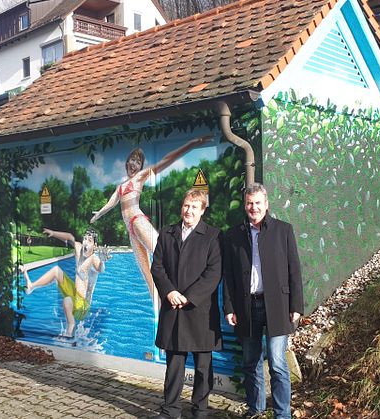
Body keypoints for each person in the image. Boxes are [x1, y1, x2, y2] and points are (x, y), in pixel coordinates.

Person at [90, 135, 211, 300]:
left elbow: (166, 160)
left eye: (138, 162)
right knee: (148, 277)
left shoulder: (140, 178)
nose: (134, 164)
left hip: (138, 221)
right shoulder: (120, 187)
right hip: (131, 231)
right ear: (127, 162)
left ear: (140, 167)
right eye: (132, 160)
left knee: (163, 255)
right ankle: (161, 312)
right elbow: (110, 204)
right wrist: (98, 214)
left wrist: (192, 143)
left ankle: (185, 288)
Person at [222, 183, 304, 419]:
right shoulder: (234, 235)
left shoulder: (283, 230)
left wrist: (296, 306)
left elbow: (294, 270)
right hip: (247, 306)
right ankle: (256, 408)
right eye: (249, 203)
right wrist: (229, 307)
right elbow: (228, 275)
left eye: (258, 203)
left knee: (278, 363)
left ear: (266, 205)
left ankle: (282, 414)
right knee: (251, 362)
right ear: (245, 205)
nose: (253, 207)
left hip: (278, 305)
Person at [150, 189, 222, 419]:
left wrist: (189, 297)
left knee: (202, 367)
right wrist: (169, 292)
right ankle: (170, 410)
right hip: (173, 310)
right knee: (174, 366)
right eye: (186, 205)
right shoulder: (167, 234)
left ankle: (200, 410)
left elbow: (213, 273)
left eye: (194, 207)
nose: (188, 210)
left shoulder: (213, 236)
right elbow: (157, 267)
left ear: (202, 210)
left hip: (200, 311)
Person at [21, 228, 110, 338]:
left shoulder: (93, 259)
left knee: (67, 300)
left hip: (83, 304)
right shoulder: (79, 249)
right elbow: (69, 236)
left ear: (95, 246)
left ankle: (70, 330)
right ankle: (31, 287)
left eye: (90, 240)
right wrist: (53, 233)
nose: (86, 242)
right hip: (74, 292)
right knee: (56, 271)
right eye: (85, 239)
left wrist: (102, 261)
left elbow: (100, 269)